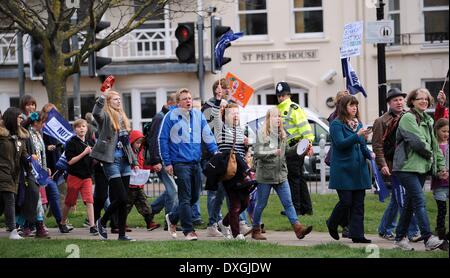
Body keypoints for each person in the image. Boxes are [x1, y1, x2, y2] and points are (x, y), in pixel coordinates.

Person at [392, 88, 448, 251]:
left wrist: (441, 166)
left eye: (426, 99)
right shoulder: (408, 118)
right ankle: (428, 238)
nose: (423, 101)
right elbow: (417, 142)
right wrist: (432, 155)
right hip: (405, 168)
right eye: (419, 99)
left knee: (410, 204)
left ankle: (399, 239)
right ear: (412, 102)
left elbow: (435, 146)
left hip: (422, 169)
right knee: (419, 200)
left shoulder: (429, 121)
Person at [159, 88, 218, 240]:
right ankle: (188, 230)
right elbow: (162, 139)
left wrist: (216, 153)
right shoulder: (170, 117)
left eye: (190, 98)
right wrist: (167, 162)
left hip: (195, 162)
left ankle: (172, 218)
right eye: (184, 99)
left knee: (194, 198)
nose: (188, 101)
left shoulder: (198, 115)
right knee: (185, 197)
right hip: (179, 163)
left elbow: (207, 135)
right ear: (178, 102)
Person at [252, 108, 313, 241]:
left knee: (288, 203)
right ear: (269, 119)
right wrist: (272, 152)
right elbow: (256, 153)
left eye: (280, 116)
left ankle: (298, 229)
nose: (278, 119)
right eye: (275, 116)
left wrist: (300, 147)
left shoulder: (282, 134)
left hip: (281, 175)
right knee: (261, 204)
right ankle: (255, 229)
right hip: (265, 177)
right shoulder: (262, 134)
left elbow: (286, 153)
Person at [372, 88, 420, 242]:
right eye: (395, 100)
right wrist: (383, 164)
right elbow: (377, 146)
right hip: (393, 165)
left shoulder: (410, 117)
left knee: (396, 199)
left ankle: (385, 228)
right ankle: (413, 232)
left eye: (401, 99)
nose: (399, 103)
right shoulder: (381, 121)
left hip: (409, 163)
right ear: (389, 103)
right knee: (402, 198)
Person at [91, 86, 139, 241]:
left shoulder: (122, 117)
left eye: (119, 99)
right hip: (111, 161)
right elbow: (95, 113)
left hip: (124, 161)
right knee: (123, 198)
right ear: (109, 102)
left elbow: (127, 144)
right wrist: (103, 95)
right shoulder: (105, 116)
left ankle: (122, 235)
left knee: (123, 201)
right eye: (115, 99)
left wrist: (135, 161)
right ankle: (102, 222)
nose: (119, 101)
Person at [326, 95, 374, 244]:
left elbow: (361, 145)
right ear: (343, 107)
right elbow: (340, 144)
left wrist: (370, 154)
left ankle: (357, 234)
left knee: (359, 203)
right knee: (346, 202)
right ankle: (332, 222)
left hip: (359, 170)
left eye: (356, 105)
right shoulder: (336, 124)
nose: (354, 108)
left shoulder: (358, 124)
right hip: (343, 170)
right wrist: (357, 135)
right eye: (351, 105)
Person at [212, 103, 250, 240]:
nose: (236, 116)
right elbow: (215, 117)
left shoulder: (240, 130)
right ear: (226, 116)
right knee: (235, 203)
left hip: (241, 171)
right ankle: (236, 234)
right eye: (232, 113)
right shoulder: (221, 129)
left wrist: (246, 146)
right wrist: (218, 103)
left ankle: (224, 222)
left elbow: (242, 153)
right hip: (228, 172)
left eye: (237, 113)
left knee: (245, 202)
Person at [276, 81, 314, 216]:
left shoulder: (293, 108)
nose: (281, 98)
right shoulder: (278, 109)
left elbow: (304, 126)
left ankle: (296, 209)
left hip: (296, 147)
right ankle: (306, 208)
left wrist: (309, 143)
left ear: (289, 95)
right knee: (299, 178)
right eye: (279, 95)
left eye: (283, 95)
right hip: (291, 148)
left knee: (293, 178)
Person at [24, 111, 62, 236]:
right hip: (30, 172)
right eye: (42, 122)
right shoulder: (27, 134)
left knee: (41, 200)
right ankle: (37, 226)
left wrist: (45, 169)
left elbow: (42, 154)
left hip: (40, 172)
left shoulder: (39, 134)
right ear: (35, 123)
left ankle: (30, 225)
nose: (44, 125)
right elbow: (26, 153)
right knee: (37, 199)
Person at [146, 93, 180, 232]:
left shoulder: (170, 116)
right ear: (171, 103)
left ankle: (150, 211)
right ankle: (170, 222)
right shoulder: (160, 117)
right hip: (160, 161)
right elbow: (154, 140)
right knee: (173, 191)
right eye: (178, 104)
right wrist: (156, 160)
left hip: (169, 160)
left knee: (171, 191)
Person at [201, 79, 229, 237]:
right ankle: (213, 224)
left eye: (224, 89)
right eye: (219, 89)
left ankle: (220, 221)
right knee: (213, 191)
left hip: (225, 154)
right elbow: (208, 129)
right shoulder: (207, 107)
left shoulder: (229, 105)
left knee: (224, 190)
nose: (221, 92)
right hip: (212, 155)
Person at [60, 119, 98, 235]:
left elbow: (92, 160)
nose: (81, 128)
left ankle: (92, 226)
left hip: (86, 177)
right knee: (69, 202)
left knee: (89, 201)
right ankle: (62, 223)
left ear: (87, 128)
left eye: (83, 126)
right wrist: (84, 153)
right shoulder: (71, 142)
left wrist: (97, 159)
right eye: (78, 127)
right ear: (75, 129)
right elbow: (70, 161)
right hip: (74, 176)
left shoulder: (89, 143)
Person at [0, 107, 29, 239]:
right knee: (9, 199)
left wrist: (31, 160)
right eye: (19, 117)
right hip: (2, 172)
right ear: (11, 118)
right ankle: (13, 231)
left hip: (14, 174)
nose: (21, 119)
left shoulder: (20, 136)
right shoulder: (1, 135)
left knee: (2, 203)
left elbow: (24, 155)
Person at [325, 90, 350, 238]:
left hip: (350, 161)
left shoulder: (352, 117)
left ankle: (345, 225)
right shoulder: (336, 119)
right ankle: (337, 223)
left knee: (349, 200)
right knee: (346, 200)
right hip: (339, 161)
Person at [127, 129, 160, 231]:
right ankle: (118, 224)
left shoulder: (141, 152)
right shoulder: (128, 153)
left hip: (139, 185)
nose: (139, 145)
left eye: (140, 142)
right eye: (137, 142)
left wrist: (151, 168)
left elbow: (142, 167)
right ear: (131, 142)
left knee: (145, 204)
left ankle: (150, 223)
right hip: (129, 186)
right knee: (126, 206)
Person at [431, 118, 449, 241]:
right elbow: (431, 165)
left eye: (448, 131)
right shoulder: (433, 147)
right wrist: (438, 173)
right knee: (442, 211)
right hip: (440, 185)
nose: (446, 134)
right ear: (436, 130)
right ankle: (441, 234)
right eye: (443, 131)